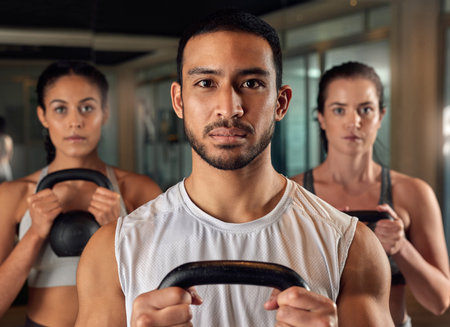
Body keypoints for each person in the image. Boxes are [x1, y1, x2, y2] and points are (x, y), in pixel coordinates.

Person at [75, 10, 394, 327]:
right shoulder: (113, 251)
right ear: (179, 100)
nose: (229, 107)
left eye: (252, 83)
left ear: (281, 103)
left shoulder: (352, 247)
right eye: (205, 83)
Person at [0, 60, 162, 327]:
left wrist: (116, 233)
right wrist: (35, 234)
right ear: (43, 116)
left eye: (87, 108)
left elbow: (160, 286)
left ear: (105, 113)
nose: (75, 122)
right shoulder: (13, 195)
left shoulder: (138, 189)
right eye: (60, 109)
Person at [291, 61, 450, 326]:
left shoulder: (411, 193)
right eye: (339, 110)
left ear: (380, 116)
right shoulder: (295, 194)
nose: (354, 122)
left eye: (365, 109)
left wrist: (401, 247)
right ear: (321, 116)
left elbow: (440, 302)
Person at [0, 116, 14, 182]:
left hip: (4, 166)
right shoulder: (7, 139)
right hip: (5, 166)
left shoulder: (6, 139)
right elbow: (9, 155)